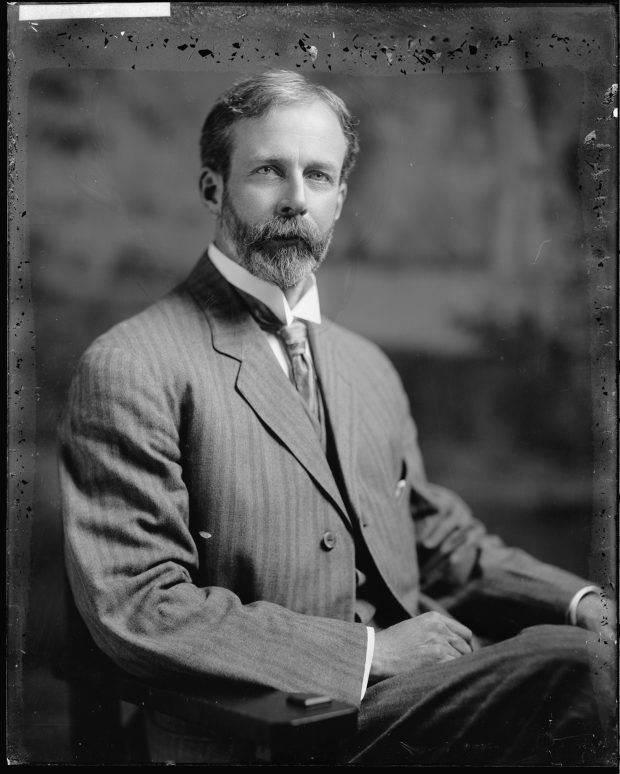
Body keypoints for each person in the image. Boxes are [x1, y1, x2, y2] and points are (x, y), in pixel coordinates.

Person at [58, 69, 616, 765]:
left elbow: (436, 539)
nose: (297, 200)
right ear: (212, 188)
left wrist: (584, 602)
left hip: (417, 704)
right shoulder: (131, 365)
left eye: (318, 177)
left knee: (587, 647)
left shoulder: (365, 365)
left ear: (341, 200)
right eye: (269, 171)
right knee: (578, 671)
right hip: (271, 730)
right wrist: (369, 652)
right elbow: (138, 606)